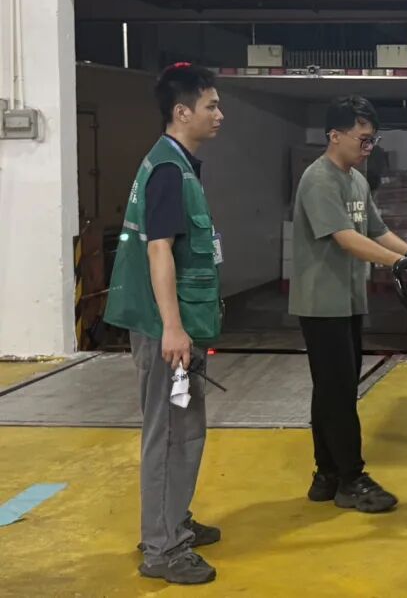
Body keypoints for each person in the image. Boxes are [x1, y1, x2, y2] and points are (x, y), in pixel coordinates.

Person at [104, 63, 225, 585]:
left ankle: (172, 519)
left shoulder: (174, 163)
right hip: (165, 330)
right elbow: (159, 251)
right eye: (210, 105)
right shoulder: (169, 172)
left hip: (173, 325)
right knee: (172, 433)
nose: (219, 114)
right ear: (182, 112)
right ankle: (162, 547)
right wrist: (172, 327)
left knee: (185, 428)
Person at [289, 95, 407, 512]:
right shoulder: (318, 180)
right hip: (322, 303)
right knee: (339, 393)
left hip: (348, 300)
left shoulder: (356, 179)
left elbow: (376, 230)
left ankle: (326, 475)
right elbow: (346, 238)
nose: (368, 146)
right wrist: (401, 264)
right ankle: (350, 479)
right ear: (335, 135)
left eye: (373, 139)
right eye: (363, 138)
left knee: (332, 390)